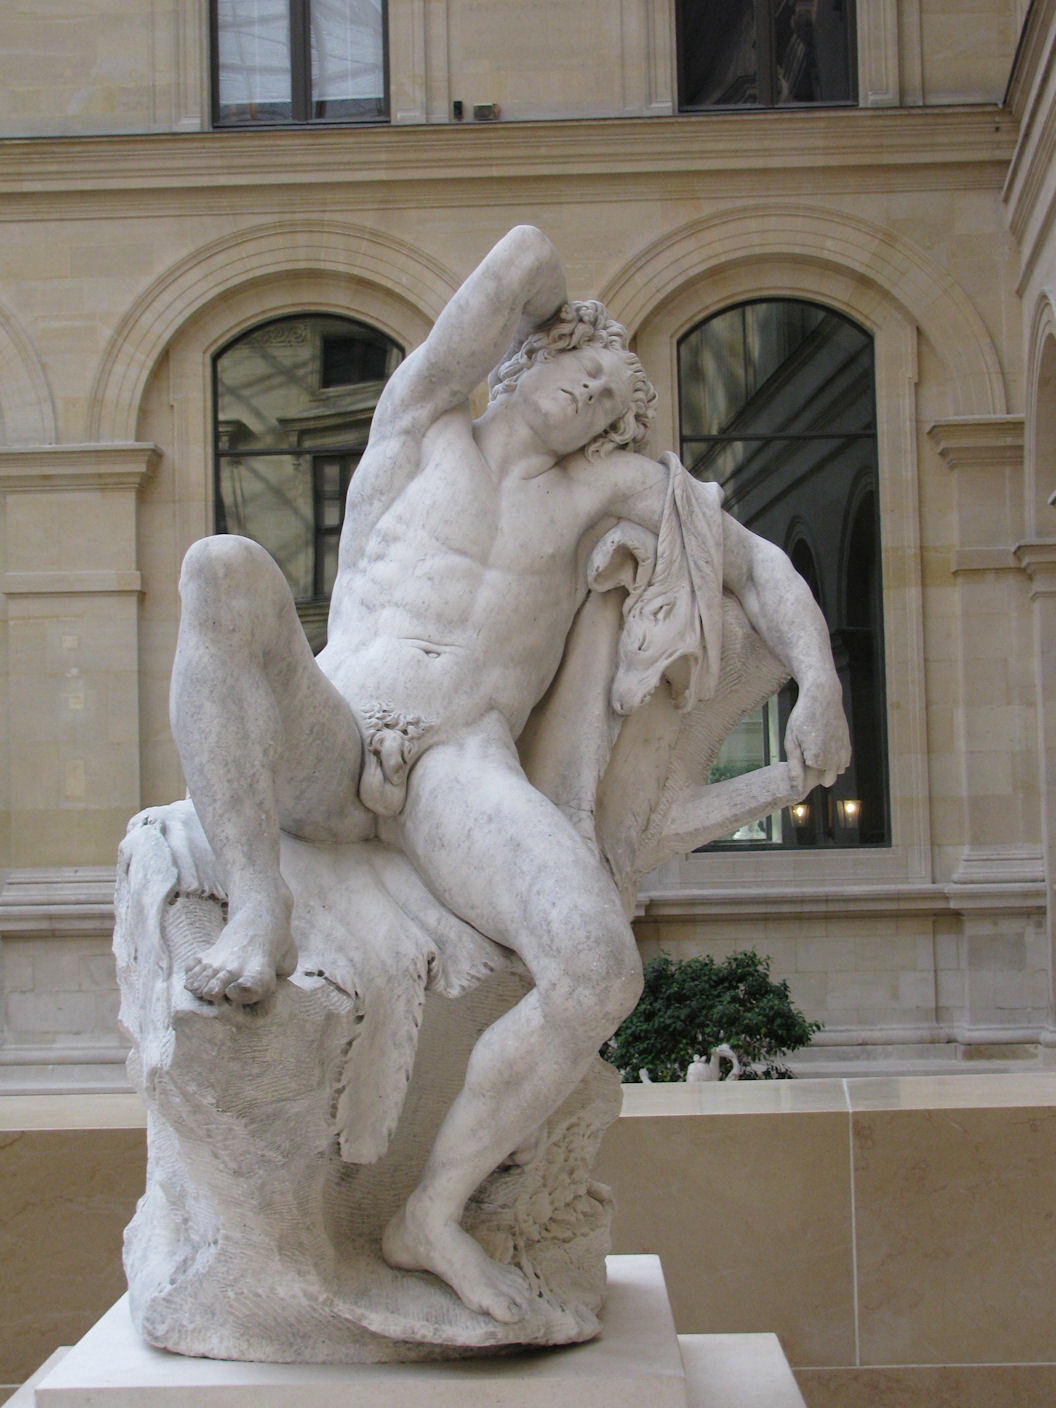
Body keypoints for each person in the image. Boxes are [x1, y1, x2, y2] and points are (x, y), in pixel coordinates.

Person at [168, 225, 849, 1323]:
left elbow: (759, 566)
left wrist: (817, 682)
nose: (597, 396)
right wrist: (561, 319)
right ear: (534, 353)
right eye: (589, 370)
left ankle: (431, 1213)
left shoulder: (603, 493)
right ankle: (259, 904)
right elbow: (526, 255)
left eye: (613, 399)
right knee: (220, 569)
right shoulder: (420, 418)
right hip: (336, 728)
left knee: (598, 970)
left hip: (459, 769)